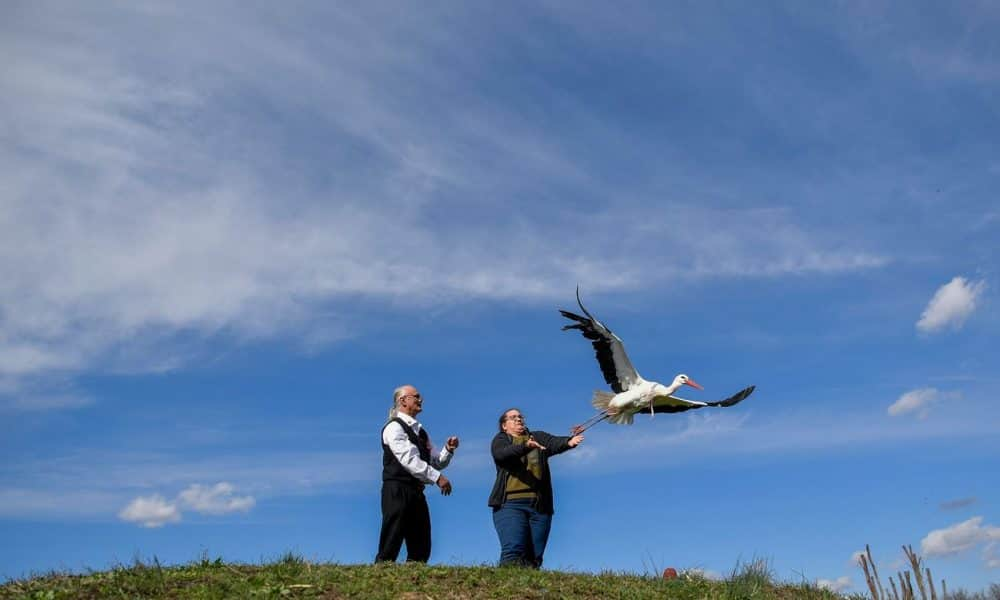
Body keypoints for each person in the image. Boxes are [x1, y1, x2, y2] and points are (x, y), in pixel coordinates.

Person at [488, 408, 583, 568]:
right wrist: (526, 446)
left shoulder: (537, 437)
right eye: (513, 417)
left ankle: (527, 591)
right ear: (504, 426)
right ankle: (506, 589)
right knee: (513, 551)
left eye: (520, 416)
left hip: (540, 506)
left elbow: (554, 443)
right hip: (510, 504)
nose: (518, 419)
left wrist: (569, 441)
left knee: (534, 557)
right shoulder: (501, 440)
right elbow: (502, 454)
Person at [376, 384, 459, 563]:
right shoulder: (394, 428)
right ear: (403, 401)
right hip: (397, 489)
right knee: (392, 539)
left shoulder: (420, 432)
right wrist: (437, 478)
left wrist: (448, 450)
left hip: (416, 491)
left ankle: (415, 583)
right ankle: (380, 576)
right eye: (416, 396)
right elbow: (409, 460)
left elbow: (435, 461)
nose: (421, 400)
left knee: (421, 544)